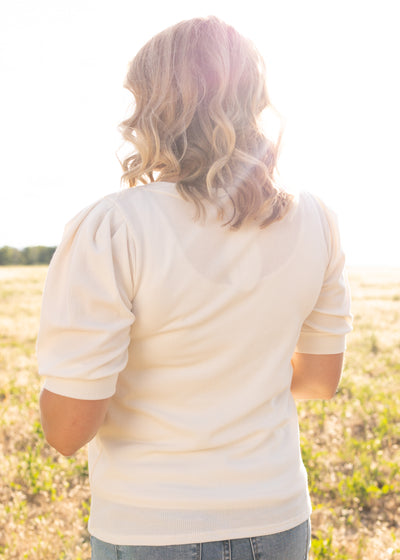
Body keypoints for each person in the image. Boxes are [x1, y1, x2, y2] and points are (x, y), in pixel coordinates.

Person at [37, 16, 352, 560]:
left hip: (152, 527)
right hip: (278, 519)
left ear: (155, 106)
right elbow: (321, 381)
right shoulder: (317, 218)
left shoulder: (113, 226)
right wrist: (234, 379)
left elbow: (68, 429)